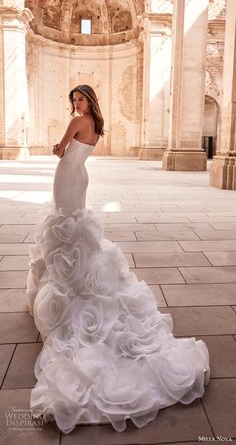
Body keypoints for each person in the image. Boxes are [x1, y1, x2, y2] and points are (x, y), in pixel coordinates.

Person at [26, 84, 210, 435]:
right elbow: (80, 151)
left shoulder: (78, 121)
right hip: (80, 177)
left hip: (66, 175)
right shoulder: (96, 122)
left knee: (64, 224)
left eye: (79, 99)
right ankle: (73, 275)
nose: (76, 104)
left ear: (88, 100)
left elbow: (61, 150)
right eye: (74, 100)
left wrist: (58, 147)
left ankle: (68, 284)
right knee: (74, 226)